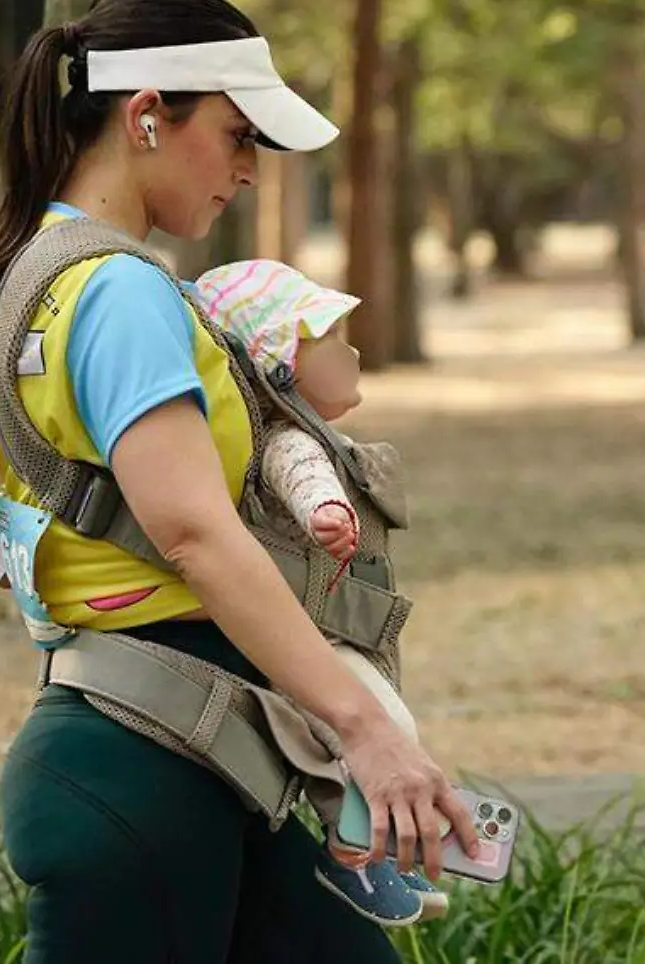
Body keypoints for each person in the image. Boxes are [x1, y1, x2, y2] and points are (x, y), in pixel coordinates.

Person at [0, 0, 476, 961]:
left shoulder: (38, 273)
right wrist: (368, 729)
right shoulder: (121, 295)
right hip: (149, 775)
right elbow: (193, 532)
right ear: (146, 116)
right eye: (237, 136)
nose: (246, 170)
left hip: (207, 759)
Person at [192, 257, 451, 924]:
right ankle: (354, 858)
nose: (355, 351)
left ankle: (372, 849)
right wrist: (324, 512)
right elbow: (301, 475)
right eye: (333, 339)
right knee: (382, 724)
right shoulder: (290, 441)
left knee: (382, 722)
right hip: (307, 631)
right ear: (282, 364)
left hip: (323, 621)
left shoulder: (315, 435)